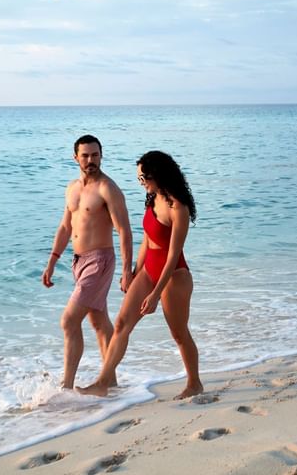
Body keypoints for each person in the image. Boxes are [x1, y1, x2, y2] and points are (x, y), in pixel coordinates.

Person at [77, 150, 203, 400]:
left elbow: (172, 255)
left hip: (174, 275)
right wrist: (134, 272)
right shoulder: (152, 198)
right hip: (149, 270)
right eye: (139, 178)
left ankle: (194, 383)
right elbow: (147, 239)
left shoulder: (178, 208)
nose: (142, 182)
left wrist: (156, 294)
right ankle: (103, 382)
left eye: (145, 177)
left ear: (159, 174)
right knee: (122, 323)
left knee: (179, 333)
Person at [42, 134, 133, 389]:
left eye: (95, 155)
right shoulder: (72, 188)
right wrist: (52, 260)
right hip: (78, 262)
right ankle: (110, 381)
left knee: (69, 321)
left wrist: (126, 271)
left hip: (100, 261)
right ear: (76, 157)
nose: (90, 160)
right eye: (85, 155)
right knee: (98, 321)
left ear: (101, 156)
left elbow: (124, 230)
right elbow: (65, 227)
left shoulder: (108, 189)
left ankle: (66, 387)